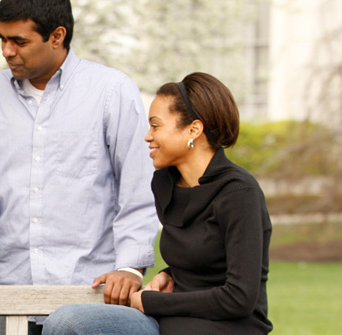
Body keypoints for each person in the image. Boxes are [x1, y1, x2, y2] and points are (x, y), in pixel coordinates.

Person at [0, 0, 158, 333]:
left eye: (19, 41)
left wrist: (130, 267)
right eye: (2, 39)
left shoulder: (111, 93)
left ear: (57, 36)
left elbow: (138, 187)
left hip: (91, 298)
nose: (7, 51)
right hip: (11, 300)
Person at [43, 72, 273, 334]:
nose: (147, 137)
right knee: (66, 321)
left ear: (193, 130)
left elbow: (239, 298)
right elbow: (204, 257)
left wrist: (153, 301)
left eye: (155, 126)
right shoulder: (165, 183)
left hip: (225, 327)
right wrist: (170, 274)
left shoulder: (238, 192)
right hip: (169, 322)